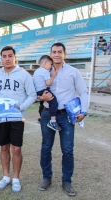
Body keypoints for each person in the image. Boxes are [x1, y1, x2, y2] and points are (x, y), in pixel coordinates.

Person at [38, 42, 88, 196]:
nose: (57, 54)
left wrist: (84, 111)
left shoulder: (73, 72)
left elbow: (83, 91)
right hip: (47, 114)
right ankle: (47, 178)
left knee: (67, 150)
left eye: (60, 52)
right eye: (54, 52)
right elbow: (34, 91)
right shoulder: (44, 71)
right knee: (46, 147)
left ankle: (67, 181)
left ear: (64, 54)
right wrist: (40, 97)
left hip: (66, 115)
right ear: (50, 54)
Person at [0, 46, 37, 192]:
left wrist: (21, 107)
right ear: (1, 58)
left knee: (16, 149)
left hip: (17, 118)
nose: (7, 59)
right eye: (4, 56)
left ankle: (16, 178)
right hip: (2, 118)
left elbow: (32, 95)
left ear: (15, 57)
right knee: (4, 147)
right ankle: (6, 177)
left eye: (10, 56)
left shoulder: (24, 75)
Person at [33, 55, 61, 131]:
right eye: (51, 64)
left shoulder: (37, 71)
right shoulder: (45, 71)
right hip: (44, 90)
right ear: (45, 62)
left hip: (38, 91)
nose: (51, 67)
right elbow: (48, 83)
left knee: (42, 104)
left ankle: (40, 117)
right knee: (54, 102)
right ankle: (53, 121)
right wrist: (52, 76)